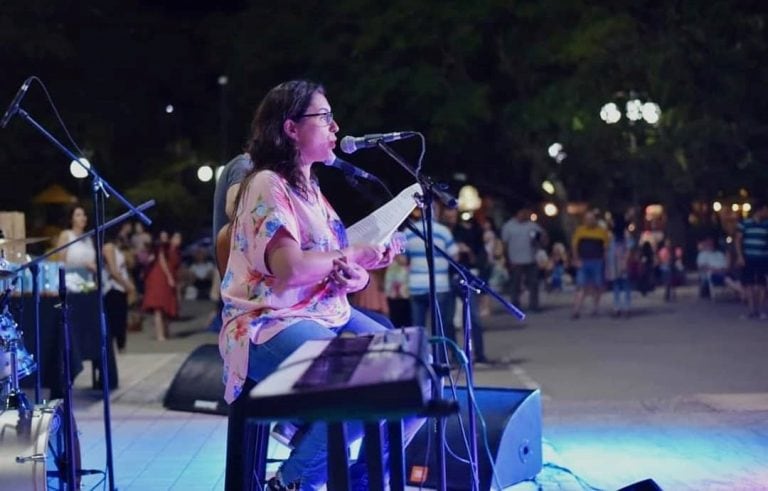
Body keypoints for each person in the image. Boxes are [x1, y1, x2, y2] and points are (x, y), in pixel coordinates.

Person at [219, 80, 422, 490]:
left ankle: (364, 483)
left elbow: (334, 270)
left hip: (326, 315)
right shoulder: (266, 184)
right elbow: (291, 270)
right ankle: (292, 482)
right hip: (268, 321)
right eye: (324, 117)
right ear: (291, 128)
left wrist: (360, 271)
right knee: (357, 380)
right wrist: (350, 256)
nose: (335, 126)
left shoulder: (312, 189)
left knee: (414, 375)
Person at [501, 205, 547, 311]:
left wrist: (540, 239)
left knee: (533, 283)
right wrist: (506, 258)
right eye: (523, 213)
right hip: (515, 260)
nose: (525, 215)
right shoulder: (508, 226)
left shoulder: (532, 226)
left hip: (531, 259)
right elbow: (505, 244)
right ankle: (514, 305)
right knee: (515, 284)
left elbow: (543, 237)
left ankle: (534, 305)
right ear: (518, 213)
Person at [141, 230, 181, 340]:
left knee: (165, 306)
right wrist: (169, 277)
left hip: (161, 278)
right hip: (159, 278)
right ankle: (160, 334)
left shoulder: (169, 249)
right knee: (158, 307)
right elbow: (162, 262)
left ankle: (164, 332)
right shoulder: (159, 248)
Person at [570, 211, 610, 319]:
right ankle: (576, 310)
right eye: (587, 219)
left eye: (592, 219)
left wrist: (605, 263)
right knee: (581, 285)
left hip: (597, 262)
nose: (589, 221)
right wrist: (576, 259)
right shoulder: (580, 231)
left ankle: (595, 308)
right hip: (583, 261)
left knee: (597, 286)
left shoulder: (602, 232)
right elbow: (574, 246)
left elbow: (606, 248)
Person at [734, 199, 768, 319]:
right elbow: (738, 241)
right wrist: (740, 256)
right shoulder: (744, 224)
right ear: (761, 210)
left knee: (761, 284)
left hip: (763, 257)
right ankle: (751, 310)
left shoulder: (766, 225)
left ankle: (759, 310)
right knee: (749, 283)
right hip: (748, 256)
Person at [56, 204, 97, 286]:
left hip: (88, 280)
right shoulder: (66, 235)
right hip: (71, 281)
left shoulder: (89, 238)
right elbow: (61, 263)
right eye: (78, 215)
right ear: (71, 219)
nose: (82, 218)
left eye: (84, 215)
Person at [606, 213, 633, 317]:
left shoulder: (625, 234)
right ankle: (617, 307)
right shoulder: (611, 235)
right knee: (617, 285)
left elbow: (629, 249)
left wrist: (625, 261)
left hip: (620, 261)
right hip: (613, 262)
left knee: (624, 284)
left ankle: (626, 307)